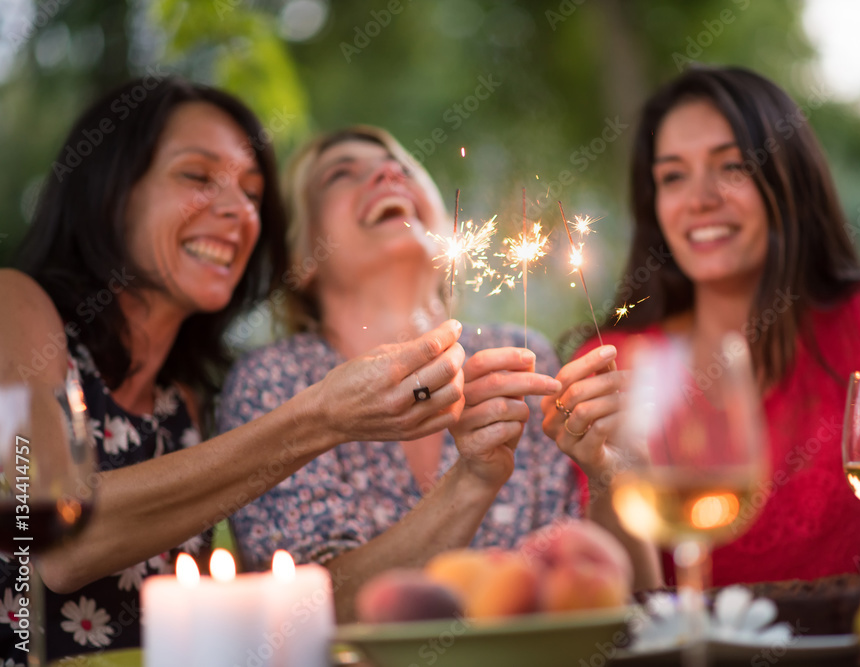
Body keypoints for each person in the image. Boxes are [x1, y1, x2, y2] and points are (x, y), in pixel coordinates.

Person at [0, 80, 464, 660]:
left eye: (251, 193)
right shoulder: (14, 306)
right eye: (197, 176)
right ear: (110, 192)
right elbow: (59, 539)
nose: (236, 212)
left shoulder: (187, 405)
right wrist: (322, 416)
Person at [218, 126, 662, 622]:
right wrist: (472, 480)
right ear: (300, 257)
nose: (387, 173)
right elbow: (310, 612)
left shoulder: (523, 353)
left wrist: (612, 474)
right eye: (343, 174)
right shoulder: (274, 383)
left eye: (403, 168)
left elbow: (626, 606)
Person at [542, 65, 860, 587]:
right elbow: (634, 610)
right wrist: (606, 474)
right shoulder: (615, 361)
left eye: (731, 166)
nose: (700, 198)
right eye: (672, 176)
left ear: (789, 177)